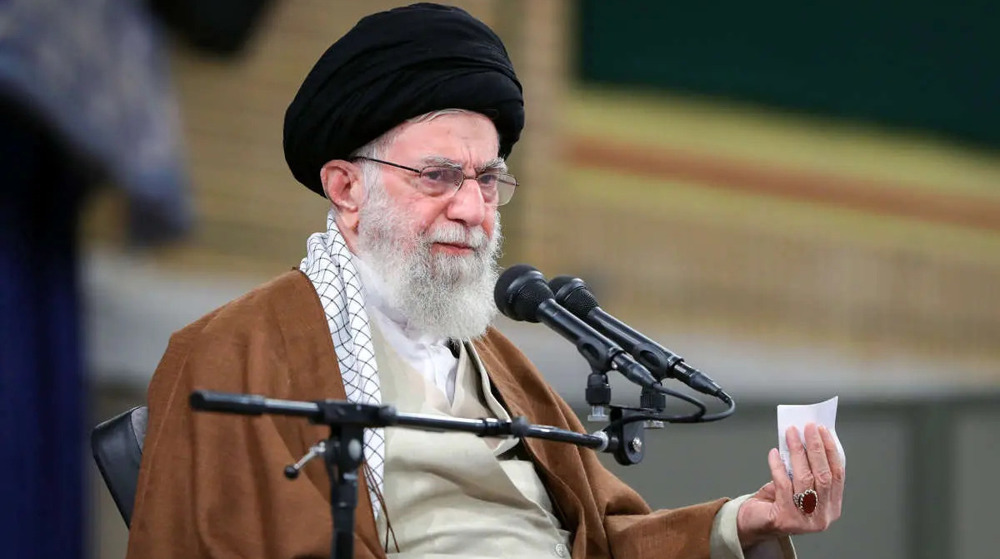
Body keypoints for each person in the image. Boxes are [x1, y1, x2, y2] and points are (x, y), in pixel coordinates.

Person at [125, 4, 845, 558]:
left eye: (488, 178)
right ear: (346, 187)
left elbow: (605, 537)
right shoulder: (231, 351)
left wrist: (741, 522)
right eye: (438, 175)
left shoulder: (501, 365)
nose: (471, 209)